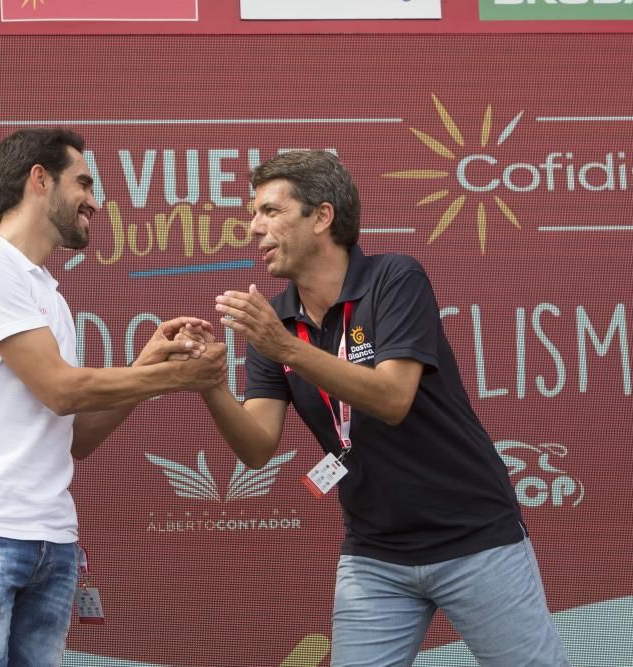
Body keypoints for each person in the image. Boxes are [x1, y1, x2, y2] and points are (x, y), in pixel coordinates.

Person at [193, 150, 569, 666]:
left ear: (322, 216)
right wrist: (210, 384)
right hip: (374, 554)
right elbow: (257, 447)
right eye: (253, 213)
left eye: (270, 211)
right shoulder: (273, 323)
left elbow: (392, 399)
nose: (253, 227)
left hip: (474, 538)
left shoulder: (395, 279)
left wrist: (286, 349)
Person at [0, 127, 226, 666]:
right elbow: (60, 389)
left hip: (51, 544)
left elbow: (76, 436)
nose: (95, 201)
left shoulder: (50, 299)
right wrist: (175, 379)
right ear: (40, 180)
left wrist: (145, 368)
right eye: (82, 183)